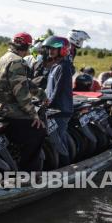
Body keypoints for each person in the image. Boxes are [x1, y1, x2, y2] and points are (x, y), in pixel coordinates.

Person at [0, 32, 47, 171]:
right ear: (27, 47)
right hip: (3, 106)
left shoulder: (6, 57)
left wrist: (41, 94)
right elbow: (21, 92)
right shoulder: (17, 61)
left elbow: (23, 82)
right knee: (38, 129)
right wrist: (33, 114)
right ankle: (28, 171)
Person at [43, 35, 75, 167]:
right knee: (59, 139)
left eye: (54, 49)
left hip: (60, 110)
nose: (51, 51)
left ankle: (66, 168)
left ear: (62, 50)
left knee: (57, 140)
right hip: (55, 109)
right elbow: (49, 89)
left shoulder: (64, 66)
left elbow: (59, 89)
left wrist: (50, 103)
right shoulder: (55, 65)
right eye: (49, 48)